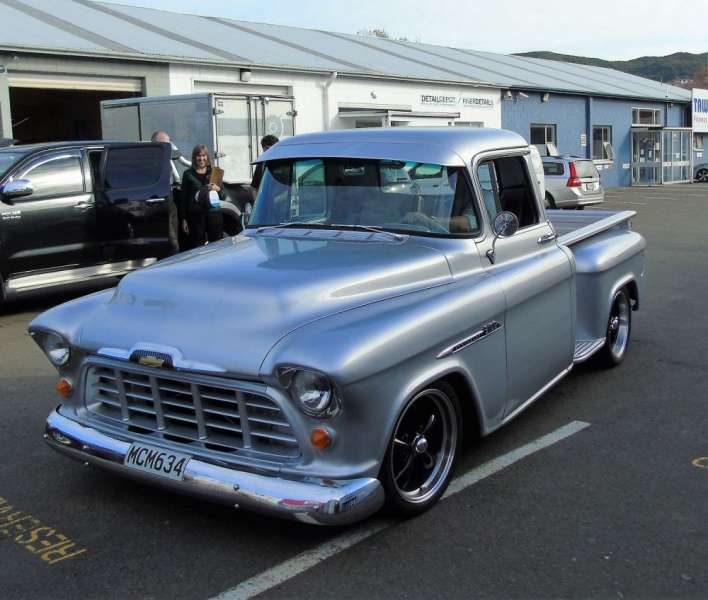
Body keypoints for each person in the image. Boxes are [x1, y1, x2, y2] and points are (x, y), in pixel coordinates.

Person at [180, 144, 226, 248]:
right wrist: (184, 219)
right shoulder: (188, 174)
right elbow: (184, 198)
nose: (201, 158)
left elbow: (223, 196)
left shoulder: (215, 172)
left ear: (207, 157)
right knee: (197, 248)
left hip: (214, 215)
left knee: (216, 246)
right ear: (194, 157)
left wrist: (218, 189)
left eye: (204, 155)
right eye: (198, 156)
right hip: (196, 217)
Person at [150, 130, 180, 255]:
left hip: (170, 201)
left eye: (168, 144)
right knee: (172, 243)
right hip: (158, 205)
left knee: (175, 235)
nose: (166, 147)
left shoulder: (166, 161)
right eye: (163, 144)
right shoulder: (149, 162)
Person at [250, 135, 279, 199]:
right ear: (263, 149)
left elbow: (291, 188)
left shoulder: (283, 165)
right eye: (267, 148)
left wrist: (276, 200)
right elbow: (253, 187)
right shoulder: (261, 164)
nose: (270, 151)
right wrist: (257, 204)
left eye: (273, 148)